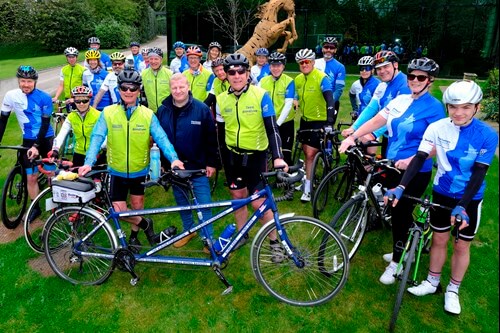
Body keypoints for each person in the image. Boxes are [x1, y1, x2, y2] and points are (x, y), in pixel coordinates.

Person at [384, 80, 498, 315]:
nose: (458, 113)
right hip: (442, 191)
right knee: (438, 239)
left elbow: (479, 172)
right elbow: (419, 157)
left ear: (476, 107)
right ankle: (432, 282)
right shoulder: (437, 127)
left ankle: (453, 290)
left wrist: (463, 206)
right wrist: (401, 187)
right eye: (453, 107)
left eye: (466, 107)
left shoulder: (487, 135)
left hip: (470, 198)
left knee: (461, 245)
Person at [338, 57, 445, 285]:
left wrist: (412, 158)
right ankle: (401, 243)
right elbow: (377, 120)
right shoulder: (401, 99)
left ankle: (397, 261)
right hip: (392, 162)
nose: (415, 80)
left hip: (416, 168)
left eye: (421, 77)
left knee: (400, 211)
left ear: (430, 80)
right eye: (412, 76)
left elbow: (440, 142)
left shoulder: (435, 107)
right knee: (389, 205)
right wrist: (353, 136)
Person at [78, 69, 184, 248]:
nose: (128, 92)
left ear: (138, 90)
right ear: (118, 89)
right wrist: (88, 162)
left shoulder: (147, 114)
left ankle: (134, 236)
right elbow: (97, 137)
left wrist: (173, 158)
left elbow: (162, 138)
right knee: (120, 211)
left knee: (137, 206)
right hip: (116, 171)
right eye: (124, 88)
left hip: (139, 170)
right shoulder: (109, 112)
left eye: (132, 88)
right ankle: (146, 224)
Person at [216, 53, 287, 250]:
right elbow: (220, 135)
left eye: (241, 71)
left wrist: (278, 157)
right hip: (232, 158)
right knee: (237, 198)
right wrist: (222, 162)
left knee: (259, 203)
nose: (237, 75)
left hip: (256, 156)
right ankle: (241, 234)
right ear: (226, 75)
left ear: (248, 73)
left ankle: (274, 241)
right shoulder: (222, 100)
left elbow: (272, 128)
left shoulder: (260, 95)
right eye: (232, 72)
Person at [156, 73, 218, 251]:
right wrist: (162, 162)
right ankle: (188, 230)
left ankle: (208, 239)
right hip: (175, 167)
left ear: (188, 87)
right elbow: (160, 139)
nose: (178, 91)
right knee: (182, 201)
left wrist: (211, 163)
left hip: (197, 166)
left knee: (203, 203)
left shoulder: (201, 109)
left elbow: (211, 139)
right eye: (174, 88)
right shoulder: (163, 110)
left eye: (181, 87)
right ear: (170, 89)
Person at [0, 66, 55, 222]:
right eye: (23, 81)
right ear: (18, 81)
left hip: (46, 139)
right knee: (31, 177)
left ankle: (57, 207)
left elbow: (45, 125)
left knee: (51, 175)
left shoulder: (44, 97)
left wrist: (37, 146)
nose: (26, 84)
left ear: (35, 82)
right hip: (28, 139)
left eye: (29, 81)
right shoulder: (11, 96)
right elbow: (2, 121)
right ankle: (35, 207)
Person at [342, 50, 411, 156]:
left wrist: (374, 133)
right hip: (389, 136)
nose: (382, 71)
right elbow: (371, 108)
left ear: (395, 65)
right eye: (379, 68)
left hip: (403, 140)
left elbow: (397, 117)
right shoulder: (383, 85)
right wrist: (354, 127)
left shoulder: (405, 85)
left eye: (386, 66)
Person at [294, 48, 336, 202]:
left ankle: (308, 188)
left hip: (319, 121)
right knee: (305, 152)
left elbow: (330, 100)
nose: (304, 65)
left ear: (312, 62)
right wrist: (294, 100)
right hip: (305, 120)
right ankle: (307, 179)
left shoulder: (321, 77)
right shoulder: (298, 79)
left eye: (307, 62)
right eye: (301, 62)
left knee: (310, 155)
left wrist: (329, 122)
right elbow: (296, 96)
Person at [50, 86, 105, 167]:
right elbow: (61, 135)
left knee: (96, 179)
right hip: (79, 153)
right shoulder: (71, 116)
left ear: (89, 100)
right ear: (74, 101)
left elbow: (106, 136)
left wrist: (99, 148)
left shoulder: (98, 115)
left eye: (84, 100)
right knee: (76, 178)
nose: (81, 104)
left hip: (97, 153)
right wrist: (55, 149)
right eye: (78, 101)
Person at [258, 52, 295, 165]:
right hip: (268, 121)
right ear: (269, 66)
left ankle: (287, 179)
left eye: (278, 65)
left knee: (286, 153)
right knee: (266, 151)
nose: (275, 68)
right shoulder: (263, 81)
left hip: (285, 122)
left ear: (283, 66)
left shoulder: (289, 81)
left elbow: (288, 105)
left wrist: (277, 123)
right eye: (273, 65)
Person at [314, 37, 346, 114]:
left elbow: (338, 89)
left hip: (331, 101)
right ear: (322, 49)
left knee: (328, 125)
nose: (328, 50)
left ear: (335, 50)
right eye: (326, 47)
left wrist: (330, 103)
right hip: (315, 100)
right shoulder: (314, 63)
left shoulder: (340, 67)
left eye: (331, 48)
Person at [141, 47, 173, 113]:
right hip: (151, 111)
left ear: (161, 60)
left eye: (156, 59)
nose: (153, 61)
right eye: (151, 59)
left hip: (167, 111)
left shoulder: (169, 73)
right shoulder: (143, 74)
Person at [348, 56, 381, 120]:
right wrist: (355, 109)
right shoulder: (356, 84)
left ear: (372, 70)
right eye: (361, 68)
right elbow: (351, 95)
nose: (364, 71)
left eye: (367, 68)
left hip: (374, 117)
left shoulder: (378, 84)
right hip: (361, 115)